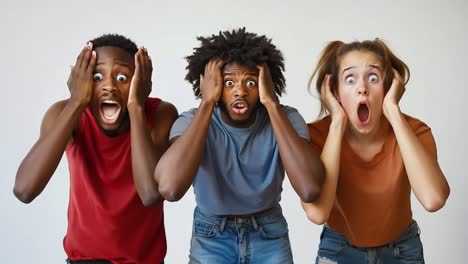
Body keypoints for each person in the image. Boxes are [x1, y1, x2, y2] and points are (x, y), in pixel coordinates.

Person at [154, 28, 325, 264]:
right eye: (229, 82)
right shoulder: (191, 121)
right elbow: (170, 188)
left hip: (269, 234)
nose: (240, 91)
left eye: (251, 82)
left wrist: (271, 103)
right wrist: (207, 103)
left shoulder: (286, 118)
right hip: (211, 236)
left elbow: (310, 189)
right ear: (212, 85)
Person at [14, 34, 178, 264]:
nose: (109, 86)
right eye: (97, 76)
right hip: (83, 260)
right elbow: (24, 190)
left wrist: (136, 107)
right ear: (82, 81)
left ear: (139, 82)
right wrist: (76, 102)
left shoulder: (161, 114)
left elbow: (150, 194)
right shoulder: (65, 113)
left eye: (122, 77)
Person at [301, 39, 450, 264]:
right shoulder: (316, 136)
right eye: (350, 80)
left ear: (388, 87)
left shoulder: (415, 132)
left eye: (373, 78)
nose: (362, 88)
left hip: (402, 249)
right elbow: (318, 213)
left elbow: (433, 199)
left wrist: (393, 111)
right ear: (336, 92)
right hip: (339, 249)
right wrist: (337, 124)